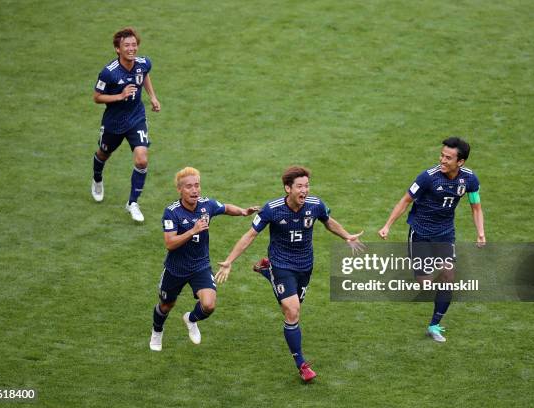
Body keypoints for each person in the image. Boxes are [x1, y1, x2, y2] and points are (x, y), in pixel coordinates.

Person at [215, 166, 364, 382]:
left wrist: (346, 236)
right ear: (288, 188)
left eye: (307, 185)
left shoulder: (315, 205)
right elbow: (250, 236)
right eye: (300, 186)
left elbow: (328, 221)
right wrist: (229, 261)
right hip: (281, 263)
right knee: (292, 311)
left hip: (305, 265)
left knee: (294, 305)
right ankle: (301, 364)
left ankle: (266, 272)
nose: (305, 190)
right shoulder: (272, 209)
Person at [378, 137, 485, 342]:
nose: (442, 160)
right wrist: (387, 225)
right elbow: (405, 200)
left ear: (460, 162)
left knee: (448, 274)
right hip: (420, 233)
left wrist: (480, 232)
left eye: (448, 158)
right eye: (442, 155)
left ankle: (434, 324)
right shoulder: (428, 177)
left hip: (445, 233)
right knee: (425, 284)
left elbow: (476, 206)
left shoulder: (470, 180)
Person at [150, 167, 259, 351]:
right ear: (180, 190)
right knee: (166, 305)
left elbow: (224, 208)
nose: (194, 190)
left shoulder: (206, 205)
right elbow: (169, 243)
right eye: (189, 187)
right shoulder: (172, 212)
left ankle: (191, 319)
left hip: (200, 265)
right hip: (175, 268)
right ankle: (157, 331)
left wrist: (242, 211)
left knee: (208, 305)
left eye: (197, 185)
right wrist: (192, 231)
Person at [91, 27, 161, 222]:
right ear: (117, 49)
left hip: (136, 118)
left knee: (141, 160)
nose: (131, 48)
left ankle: (133, 203)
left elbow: (144, 75)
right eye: (126, 45)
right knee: (103, 153)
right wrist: (120, 96)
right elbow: (97, 97)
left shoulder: (143, 63)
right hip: (114, 122)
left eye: (134, 44)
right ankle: (97, 178)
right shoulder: (109, 73)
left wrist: (153, 97)